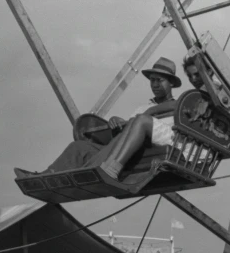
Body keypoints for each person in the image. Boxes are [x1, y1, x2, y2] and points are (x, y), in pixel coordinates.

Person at [14, 57, 182, 178]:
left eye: (159, 80)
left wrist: (146, 115)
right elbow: (129, 129)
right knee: (79, 147)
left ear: (171, 83)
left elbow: (165, 119)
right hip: (124, 147)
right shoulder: (142, 107)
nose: (155, 84)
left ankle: (98, 170)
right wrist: (118, 122)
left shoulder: (178, 106)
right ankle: (46, 175)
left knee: (134, 126)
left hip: (149, 149)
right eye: (152, 80)